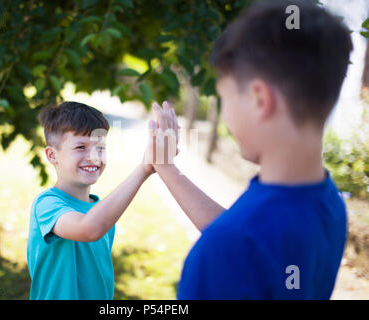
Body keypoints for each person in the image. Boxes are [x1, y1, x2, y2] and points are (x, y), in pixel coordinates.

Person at [146, 0, 353, 299]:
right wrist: (167, 168)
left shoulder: (224, 253)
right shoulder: (328, 203)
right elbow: (250, 235)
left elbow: (238, 239)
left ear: (259, 99)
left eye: (224, 98)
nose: (225, 114)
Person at [27, 101, 154, 299]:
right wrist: (143, 170)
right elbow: (88, 228)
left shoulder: (101, 211)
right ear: (52, 155)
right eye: (80, 147)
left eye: (100, 148)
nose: (94, 157)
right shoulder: (46, 204)